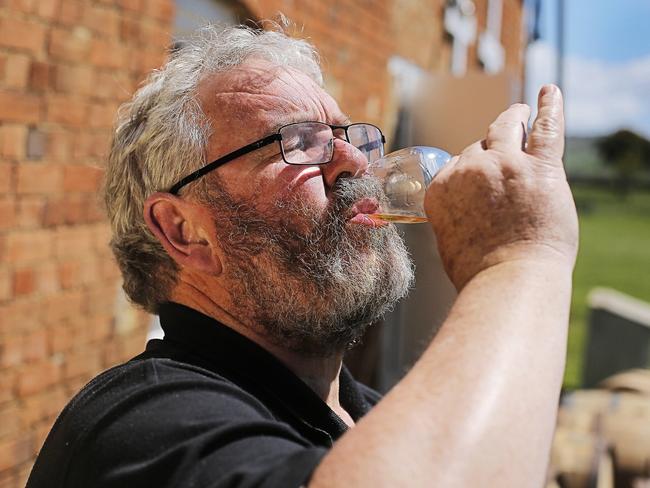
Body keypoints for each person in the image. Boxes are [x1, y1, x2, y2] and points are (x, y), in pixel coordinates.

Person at [27, 23, 578, 488]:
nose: (355, 164)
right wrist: (520, 257)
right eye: (299, 142)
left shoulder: (374, 414)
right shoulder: (140, 427)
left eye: (349, 136)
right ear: (183, 230)